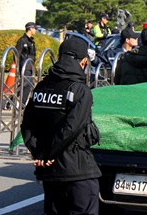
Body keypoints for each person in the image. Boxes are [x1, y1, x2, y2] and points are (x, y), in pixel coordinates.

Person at [21, 38, 101, 215]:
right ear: (83, 61)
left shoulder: (41, 87)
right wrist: (48, 154)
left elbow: (27, 124)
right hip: (78, 169)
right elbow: (71, 128)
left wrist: (40, 154)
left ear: (59, 57)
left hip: (50, 171)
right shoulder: (80, 90)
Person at [15, 22, 37, 105]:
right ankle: (21, 102)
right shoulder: (22, 40)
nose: (35, 30)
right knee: (26, 84)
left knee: (28, 85)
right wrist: (18, 67)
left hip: (30, 66)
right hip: (24, 66)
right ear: (30, 28)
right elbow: (17, 54)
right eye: (34, 28)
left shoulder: (31, 41)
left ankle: (15, 100)